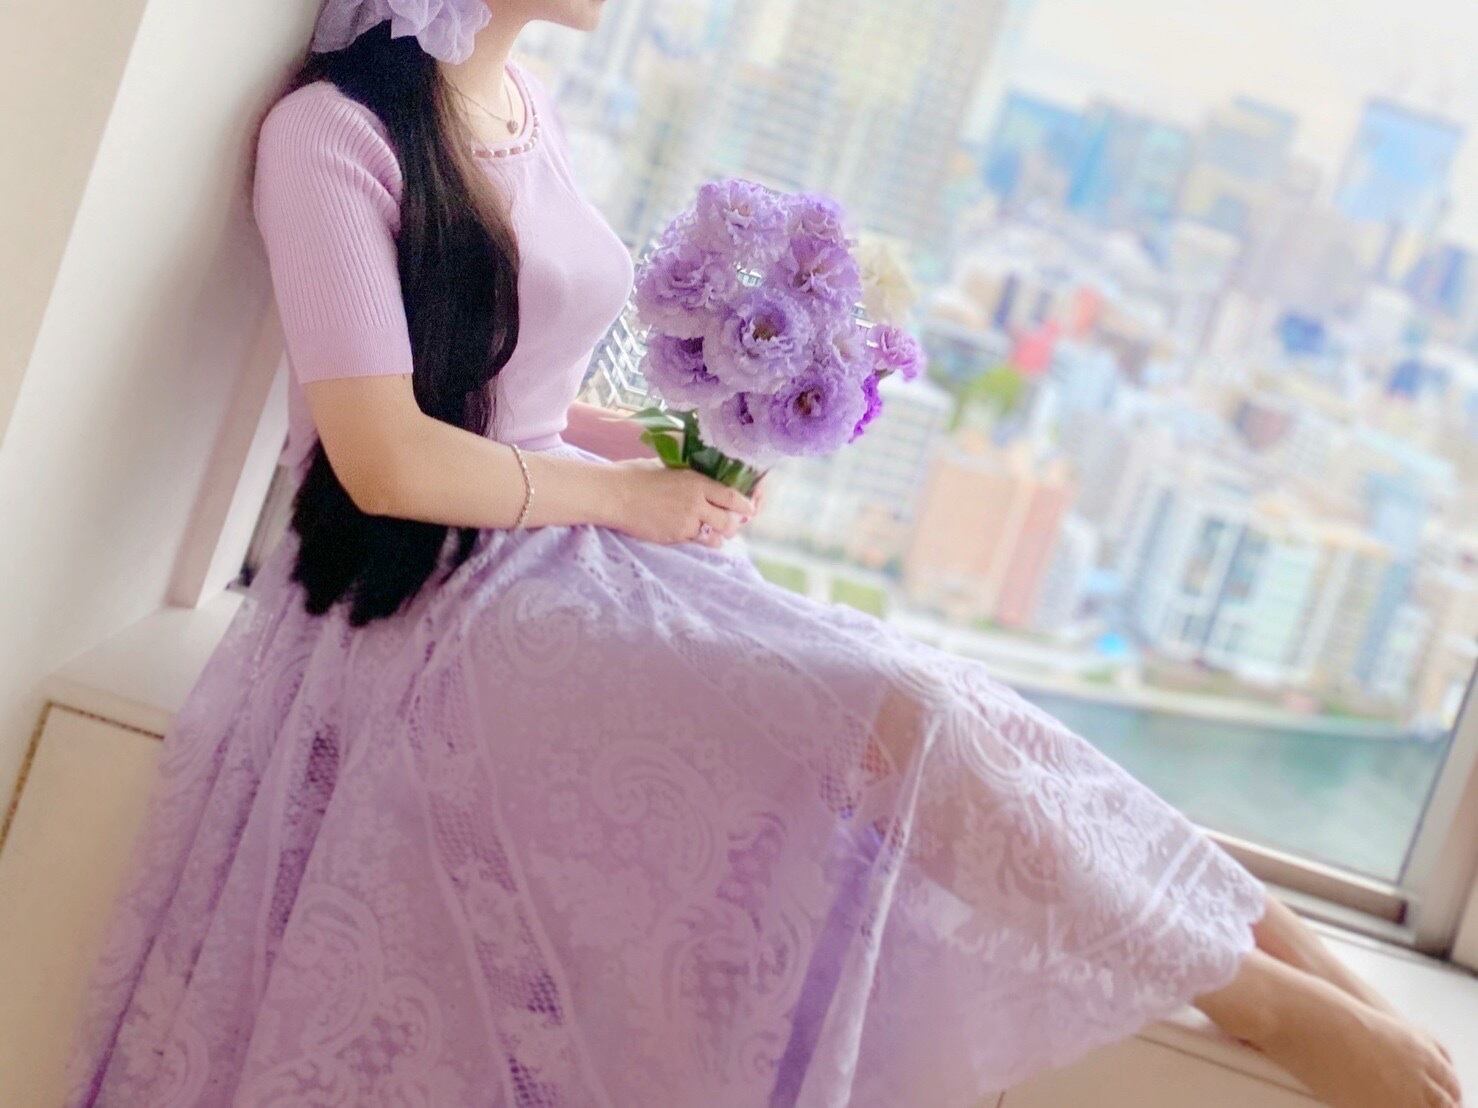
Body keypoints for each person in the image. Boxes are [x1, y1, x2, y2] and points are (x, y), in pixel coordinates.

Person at [64, 1, 1463, 1105]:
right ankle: (1261, 1002)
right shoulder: (329, 134)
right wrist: (627, 502)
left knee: (951, 695)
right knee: (899, 716)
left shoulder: (516, 103)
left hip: (553, 546)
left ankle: (1297, 964)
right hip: (425, 607)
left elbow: (504, 389)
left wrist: (652, 453)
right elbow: (383, 454)